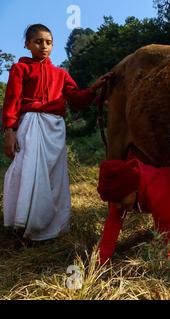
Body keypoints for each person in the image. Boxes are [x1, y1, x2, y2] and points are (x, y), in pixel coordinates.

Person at [2, 24, 112, 241]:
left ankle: (52, 228)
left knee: (54, 177)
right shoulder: (20, 69)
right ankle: (25, 226)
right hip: (31, 124)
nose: (44, 46)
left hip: (55, 128)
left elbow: (77, 100)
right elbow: (12, 102)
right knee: (29, 172)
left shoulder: (61, 74)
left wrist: (93, 89)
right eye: (38, 41)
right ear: (27, 44)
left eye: (49, 42)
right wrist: (9, 131)